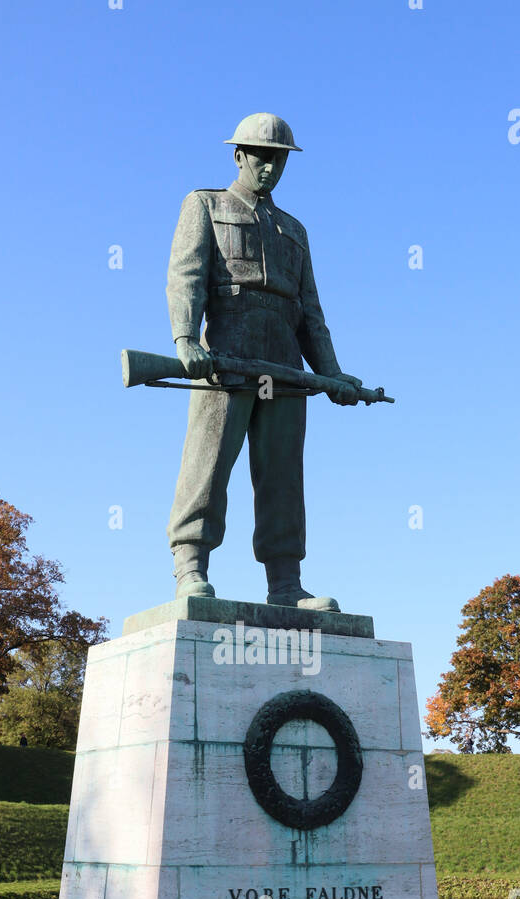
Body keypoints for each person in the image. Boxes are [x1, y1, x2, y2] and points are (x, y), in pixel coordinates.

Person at [166, 113, 361, 612]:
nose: (270, 167)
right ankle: (191, 566)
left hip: (285, 363)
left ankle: (285, 583)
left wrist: (332, 373)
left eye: (278, 159)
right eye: (261, 157)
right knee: (207, 465)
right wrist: (186, 336)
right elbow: (186, 274)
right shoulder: (205, 205)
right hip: (227, 356)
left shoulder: (295, 230)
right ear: (239, 156)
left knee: (282, 477)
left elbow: (311, 311)